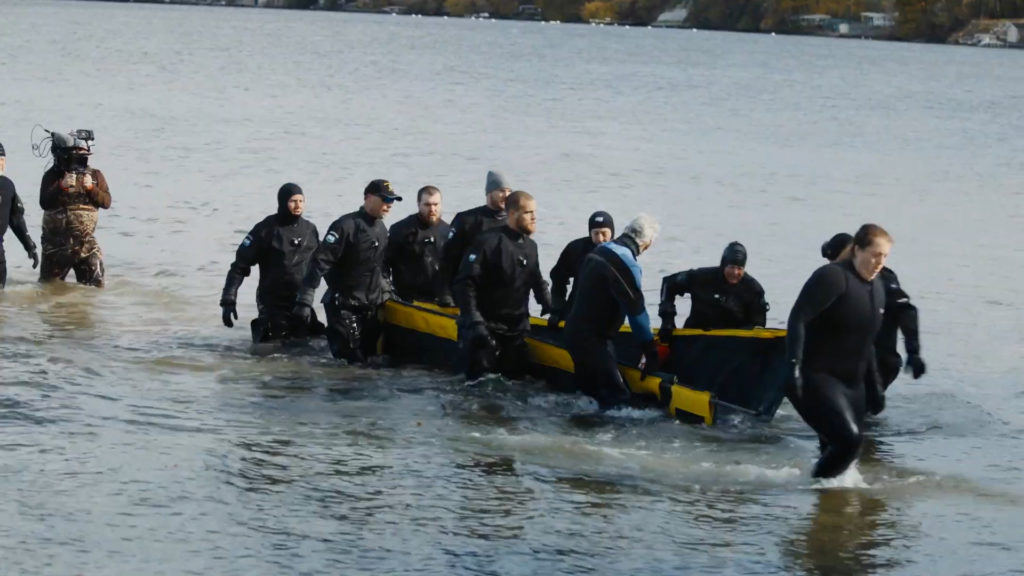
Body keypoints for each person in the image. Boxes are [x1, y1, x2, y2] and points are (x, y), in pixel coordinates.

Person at [787, 223, 891, 479]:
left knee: (843, 453)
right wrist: (793, 366)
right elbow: (798, 318)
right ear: (857, 250)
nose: (880, 262)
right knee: (849, 441)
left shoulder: (877, 288)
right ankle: (814, 486)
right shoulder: (832, 277)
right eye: (875, 255)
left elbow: (866, 341)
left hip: (852, 385)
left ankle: (826, 496)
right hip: (816, 376)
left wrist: (875, 386)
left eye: (885, 256)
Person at [294, 179, 400, 363]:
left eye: (392, 200)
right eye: (385, 199)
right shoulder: (345, 226)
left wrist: (388, 293)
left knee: (370, 362)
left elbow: (380, 268)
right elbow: (319, 263)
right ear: (368, 198)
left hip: (370, 308)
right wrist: (305, 300)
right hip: (344, 307)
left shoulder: (382, 230)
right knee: (350, 363)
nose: (389, 205)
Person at [564, 214, 662, 410]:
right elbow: (636, 312)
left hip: (574, 334)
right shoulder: (626, 262)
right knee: (619, 400)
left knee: (589, 396)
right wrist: (650, 350)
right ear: (648, 244)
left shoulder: (601, 250)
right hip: (593, 341)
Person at [453, 190, 551, 381]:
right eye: (528, 212)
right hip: (485, 330)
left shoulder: (531, 247)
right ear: (512, 214)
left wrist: (551, 307)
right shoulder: (488, 242)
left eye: (535, 212)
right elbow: (464, 283)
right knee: (477, 384)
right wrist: (475, 321)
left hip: (515, 332)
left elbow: (537, 281)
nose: (534, 217)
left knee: (517, 382)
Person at [821, 232, 926, 390]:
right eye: (831, 262)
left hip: (880, 362)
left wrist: (913, 352)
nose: (835, 267)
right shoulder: (835, 279)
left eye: (837, 261)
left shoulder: (882, 278)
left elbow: (906, 311)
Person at [219, 183, 322, 343]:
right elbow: (239, 267)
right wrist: (228, 299)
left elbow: (322, 265)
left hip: (301, 301)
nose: (298, 206)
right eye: (293, 201)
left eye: (301, 201)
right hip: (272, 302)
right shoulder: (266, 229)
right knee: (273, 348)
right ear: (282, 202)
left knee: (309, 345)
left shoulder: (310, 230)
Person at [38, 131, 111, 287]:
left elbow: (106, 202)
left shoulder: (95, 175)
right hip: (56, 247)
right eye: (75, 155)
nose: (79, 159)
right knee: (48, 289)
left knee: (95, 288)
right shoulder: (52, 176)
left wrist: (91, 188)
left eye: (84, 156)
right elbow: (44, 202)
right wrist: (61, 186)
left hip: (86, 246)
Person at [657, 241, 769, 338]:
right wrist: (667, 320)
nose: (735, 272)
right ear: (723, 265)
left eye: (739, 268)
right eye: (731, 267)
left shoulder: (753, 289)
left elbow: (758, 326)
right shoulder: (702, 277)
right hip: (695, 339)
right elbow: (669, 283)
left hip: (733, 344)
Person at [438, 170, 511, 306]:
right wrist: (445, 293)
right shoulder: (466, 220)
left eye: (509, 191)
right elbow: (447, 260)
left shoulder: (513, 221)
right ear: (489, 192)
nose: (506, 195)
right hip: (469, 292)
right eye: (501, 191)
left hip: (500, 295)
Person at [547, 210, 614, 328]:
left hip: (608, 312)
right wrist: (557, 309)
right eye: (596, 233)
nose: (600, 238)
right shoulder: (576, 249)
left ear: (612, 233)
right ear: (590, 233)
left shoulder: (620, 253)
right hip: (576, 310)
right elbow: (558, 277)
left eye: (604, 233)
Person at [386, 185, 450, 303]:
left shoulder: (448, 231)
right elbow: (384, 263)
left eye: (436, 204)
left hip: (440, 299)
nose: (432, 209)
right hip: (408, 299)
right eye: (427, 205)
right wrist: (386, 290)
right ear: (418, 204)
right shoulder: (400, 229)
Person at [0, 141, 40, 288]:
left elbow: (15, 219)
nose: (0, 164)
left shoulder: (7, 186)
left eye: (2, 160)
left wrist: (29, 245)